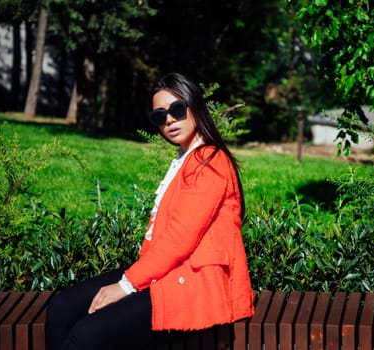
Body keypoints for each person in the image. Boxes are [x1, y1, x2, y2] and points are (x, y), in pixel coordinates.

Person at [45, 72, 255, 350]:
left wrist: (125, 286)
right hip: (168, 273)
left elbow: (181, 238)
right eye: (159, 115)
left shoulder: (209, 161)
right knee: (61, 306)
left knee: (87, 335)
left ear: (195, 106)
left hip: (192, 282)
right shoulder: (186, 158)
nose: (169, 119)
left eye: (177, 109)